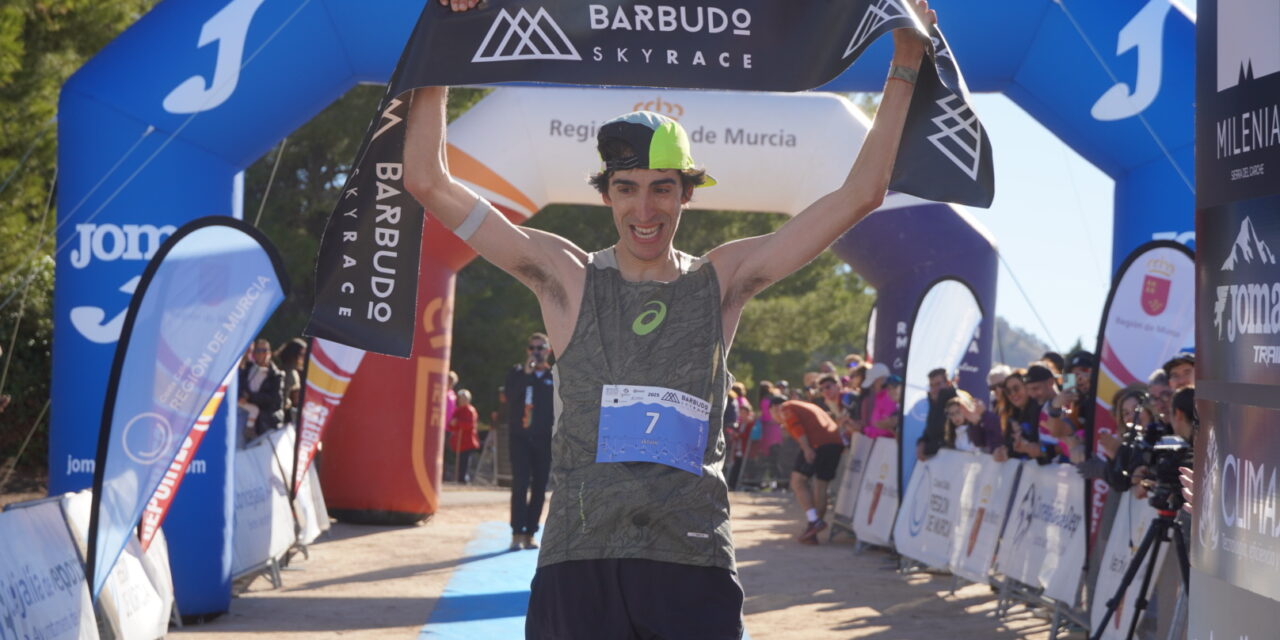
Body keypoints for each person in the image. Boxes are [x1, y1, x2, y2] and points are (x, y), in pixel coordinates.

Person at [409, 2, 936, 634]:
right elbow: (427, 179)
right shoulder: (564, 276)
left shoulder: (723, 280)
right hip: (581, 561)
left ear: (687, 193)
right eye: (627, 187)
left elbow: (861, 194)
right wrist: (440, 38)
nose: (645, 208)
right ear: (605, 193)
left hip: (690, 559)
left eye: (662, 187)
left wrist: (905, 66)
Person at [504, 332, 555, 551]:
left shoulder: (554, 376)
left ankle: (531, 532)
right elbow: (510, 397)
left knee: (539, 487)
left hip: (544, 440)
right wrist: (526, 374)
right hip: (520, 438)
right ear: (527, 351)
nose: (536, 352)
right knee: (520, 484)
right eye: (532, 348)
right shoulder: (517, 373)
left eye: (540, 347)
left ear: (548, 350)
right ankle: (516, 532)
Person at [777, 400, 845, 545]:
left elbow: (797, 428)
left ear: (773, 408)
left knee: (797, 481)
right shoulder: (805, 405)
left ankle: (814, 521)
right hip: (835, 443)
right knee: (821, 486)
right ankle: (813, 530)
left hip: (817, 444)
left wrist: (806, 448)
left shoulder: (786, 407)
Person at [239, 338, 284, 438]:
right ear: (254, 353)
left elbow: (276, 402)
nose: (262, 354)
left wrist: (251, 398)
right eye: (258, 351)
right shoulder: (247, 368)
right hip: (240, 415)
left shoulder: (276, 376)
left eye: (265, 351)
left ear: (270, 353)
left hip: (261, 425)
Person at [916, 367, 957, 459]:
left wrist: (926, 448)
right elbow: (930, 432)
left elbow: (950, 440)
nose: (934, 389)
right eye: (931, 385)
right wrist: (921, 442)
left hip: (952, 461)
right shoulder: (933, 402)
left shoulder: (956, 404)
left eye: (938, 384)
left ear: (948, 383)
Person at [447, 389, 481, 484]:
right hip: (459, 441)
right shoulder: (458, 411)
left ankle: (464, 478)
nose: (463, 400)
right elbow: (452, 425)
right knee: (460, 460)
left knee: (465, 461)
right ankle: (459, 477)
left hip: (468, 441)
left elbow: (470, 425)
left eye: (465, 398)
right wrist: (453, 424)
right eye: (461, 398)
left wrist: (458, 423)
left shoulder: (470, 410)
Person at [276, 338, 307, 426]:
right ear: (294, 355)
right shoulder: (291, 374)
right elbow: (286, 401)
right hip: (282, 421)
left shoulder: (282, 369)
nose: (305, 358)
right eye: (303, 354)